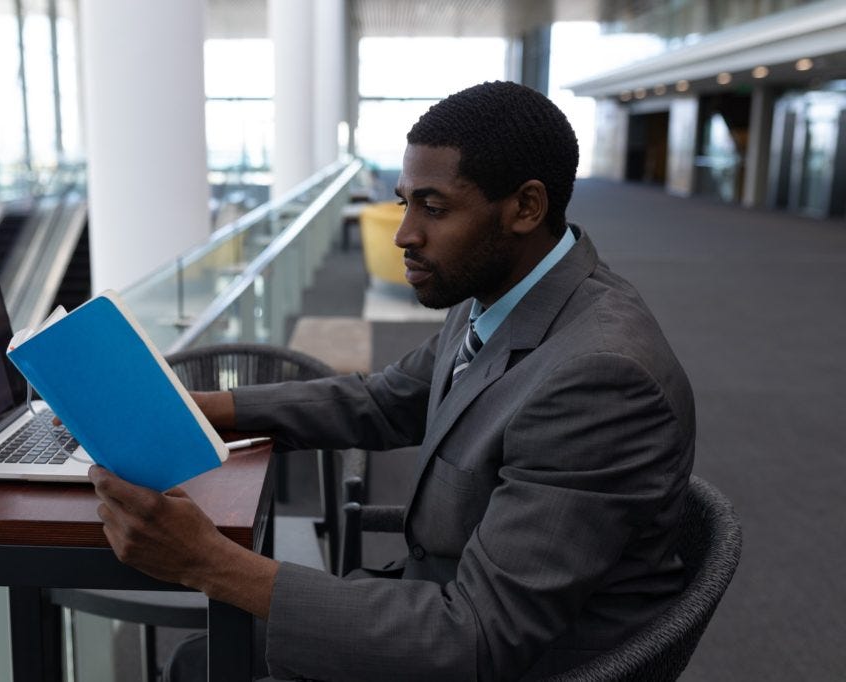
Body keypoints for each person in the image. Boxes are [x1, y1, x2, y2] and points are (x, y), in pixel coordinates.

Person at [89, 81, 695, 681]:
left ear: (525, 208)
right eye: (404, 201)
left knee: (204, 664)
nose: (404, 232)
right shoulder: (500, 291)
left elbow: (474, 639)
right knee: (198, 661)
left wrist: (210, 562)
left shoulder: (599, 377)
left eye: (433, 208)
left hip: (501, 656)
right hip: (446, 606)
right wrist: (202, 407)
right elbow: (383, 401)